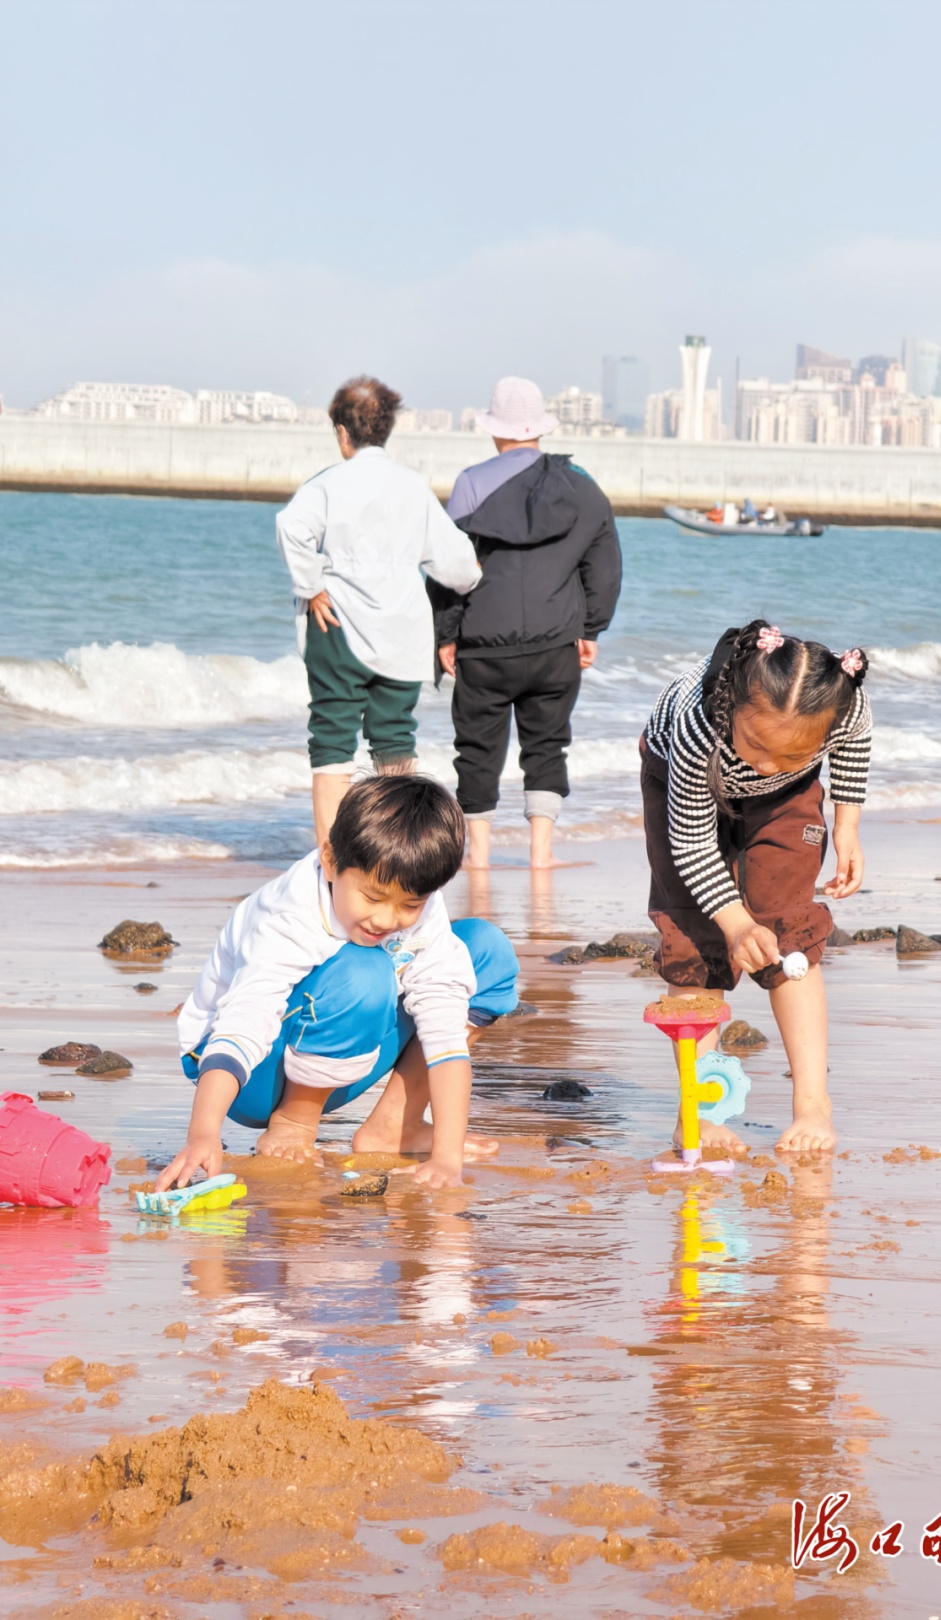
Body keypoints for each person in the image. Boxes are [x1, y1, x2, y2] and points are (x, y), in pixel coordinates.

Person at [155, 776, 519, 1194]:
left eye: (410, 904)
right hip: (247, 1077)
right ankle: (294, 1122)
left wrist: (447, 1158)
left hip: (337, 1060)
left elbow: (446, 1034)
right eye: (373, 897)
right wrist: (203, 1132)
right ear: (330, 860)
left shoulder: (419, 909)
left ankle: (395, 1124)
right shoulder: (290, 914)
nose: (386, 919)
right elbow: (246, 1019)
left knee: (485, 950)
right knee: (363, 971)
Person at [641, 619, 871, 1156]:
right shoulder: (699, 726)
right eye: (758, 745)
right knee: (696, 938)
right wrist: (734, 921)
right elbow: (692, 844)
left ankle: (813, 1102)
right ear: (735, 712)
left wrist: (847, 826)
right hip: (680, 781)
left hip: (786, 801)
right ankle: (696, 1115)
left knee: (787, 926)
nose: (765, 764)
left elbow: (855, 743)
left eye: (790, 754)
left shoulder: (840, 707)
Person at [277, 376, 482, 847]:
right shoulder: (412, 487)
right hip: (403, 633)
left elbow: (291, 527)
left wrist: (311, 586)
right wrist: (473, 572)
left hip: (338, 626)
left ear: (342, 433)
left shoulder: (327, 483)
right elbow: (459, 568)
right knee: (394, 741)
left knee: (331, 741)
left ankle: (333, 863)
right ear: (385, 430)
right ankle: (397, 852)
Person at [432, 376, 622, 869]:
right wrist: (591, 629)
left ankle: (478, 856)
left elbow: (451, 567)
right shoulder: (583, 489)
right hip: (555, 642)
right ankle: (541, 854)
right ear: (540, 430)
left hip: (482, 644)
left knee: (476, 747)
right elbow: (603, 566)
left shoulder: (472, 483)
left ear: (495, 431)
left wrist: (445, 634)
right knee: (548, 745)